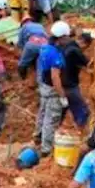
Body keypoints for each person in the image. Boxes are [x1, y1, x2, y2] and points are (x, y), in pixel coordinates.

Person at [37, 21, 88, 156]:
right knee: (52, 118)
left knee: (43, 114)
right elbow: (55, 77)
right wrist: (61, 95)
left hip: (44, 86)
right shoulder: (54, 54)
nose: (68, 39)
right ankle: (46, 150)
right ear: (61, 38)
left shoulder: (45, 47)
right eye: (67, 37)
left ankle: (38, 137)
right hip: (55, 88)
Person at [17, 15, 49, 80]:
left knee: (22, 63)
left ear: (23, 22)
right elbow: (46, 36)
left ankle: (23, 78)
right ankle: (43, 78)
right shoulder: (40, 25)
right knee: (41, 62)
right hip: (45, 44)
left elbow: (20, 43)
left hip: (32, 44)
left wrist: (23, 52)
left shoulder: (23, 27)